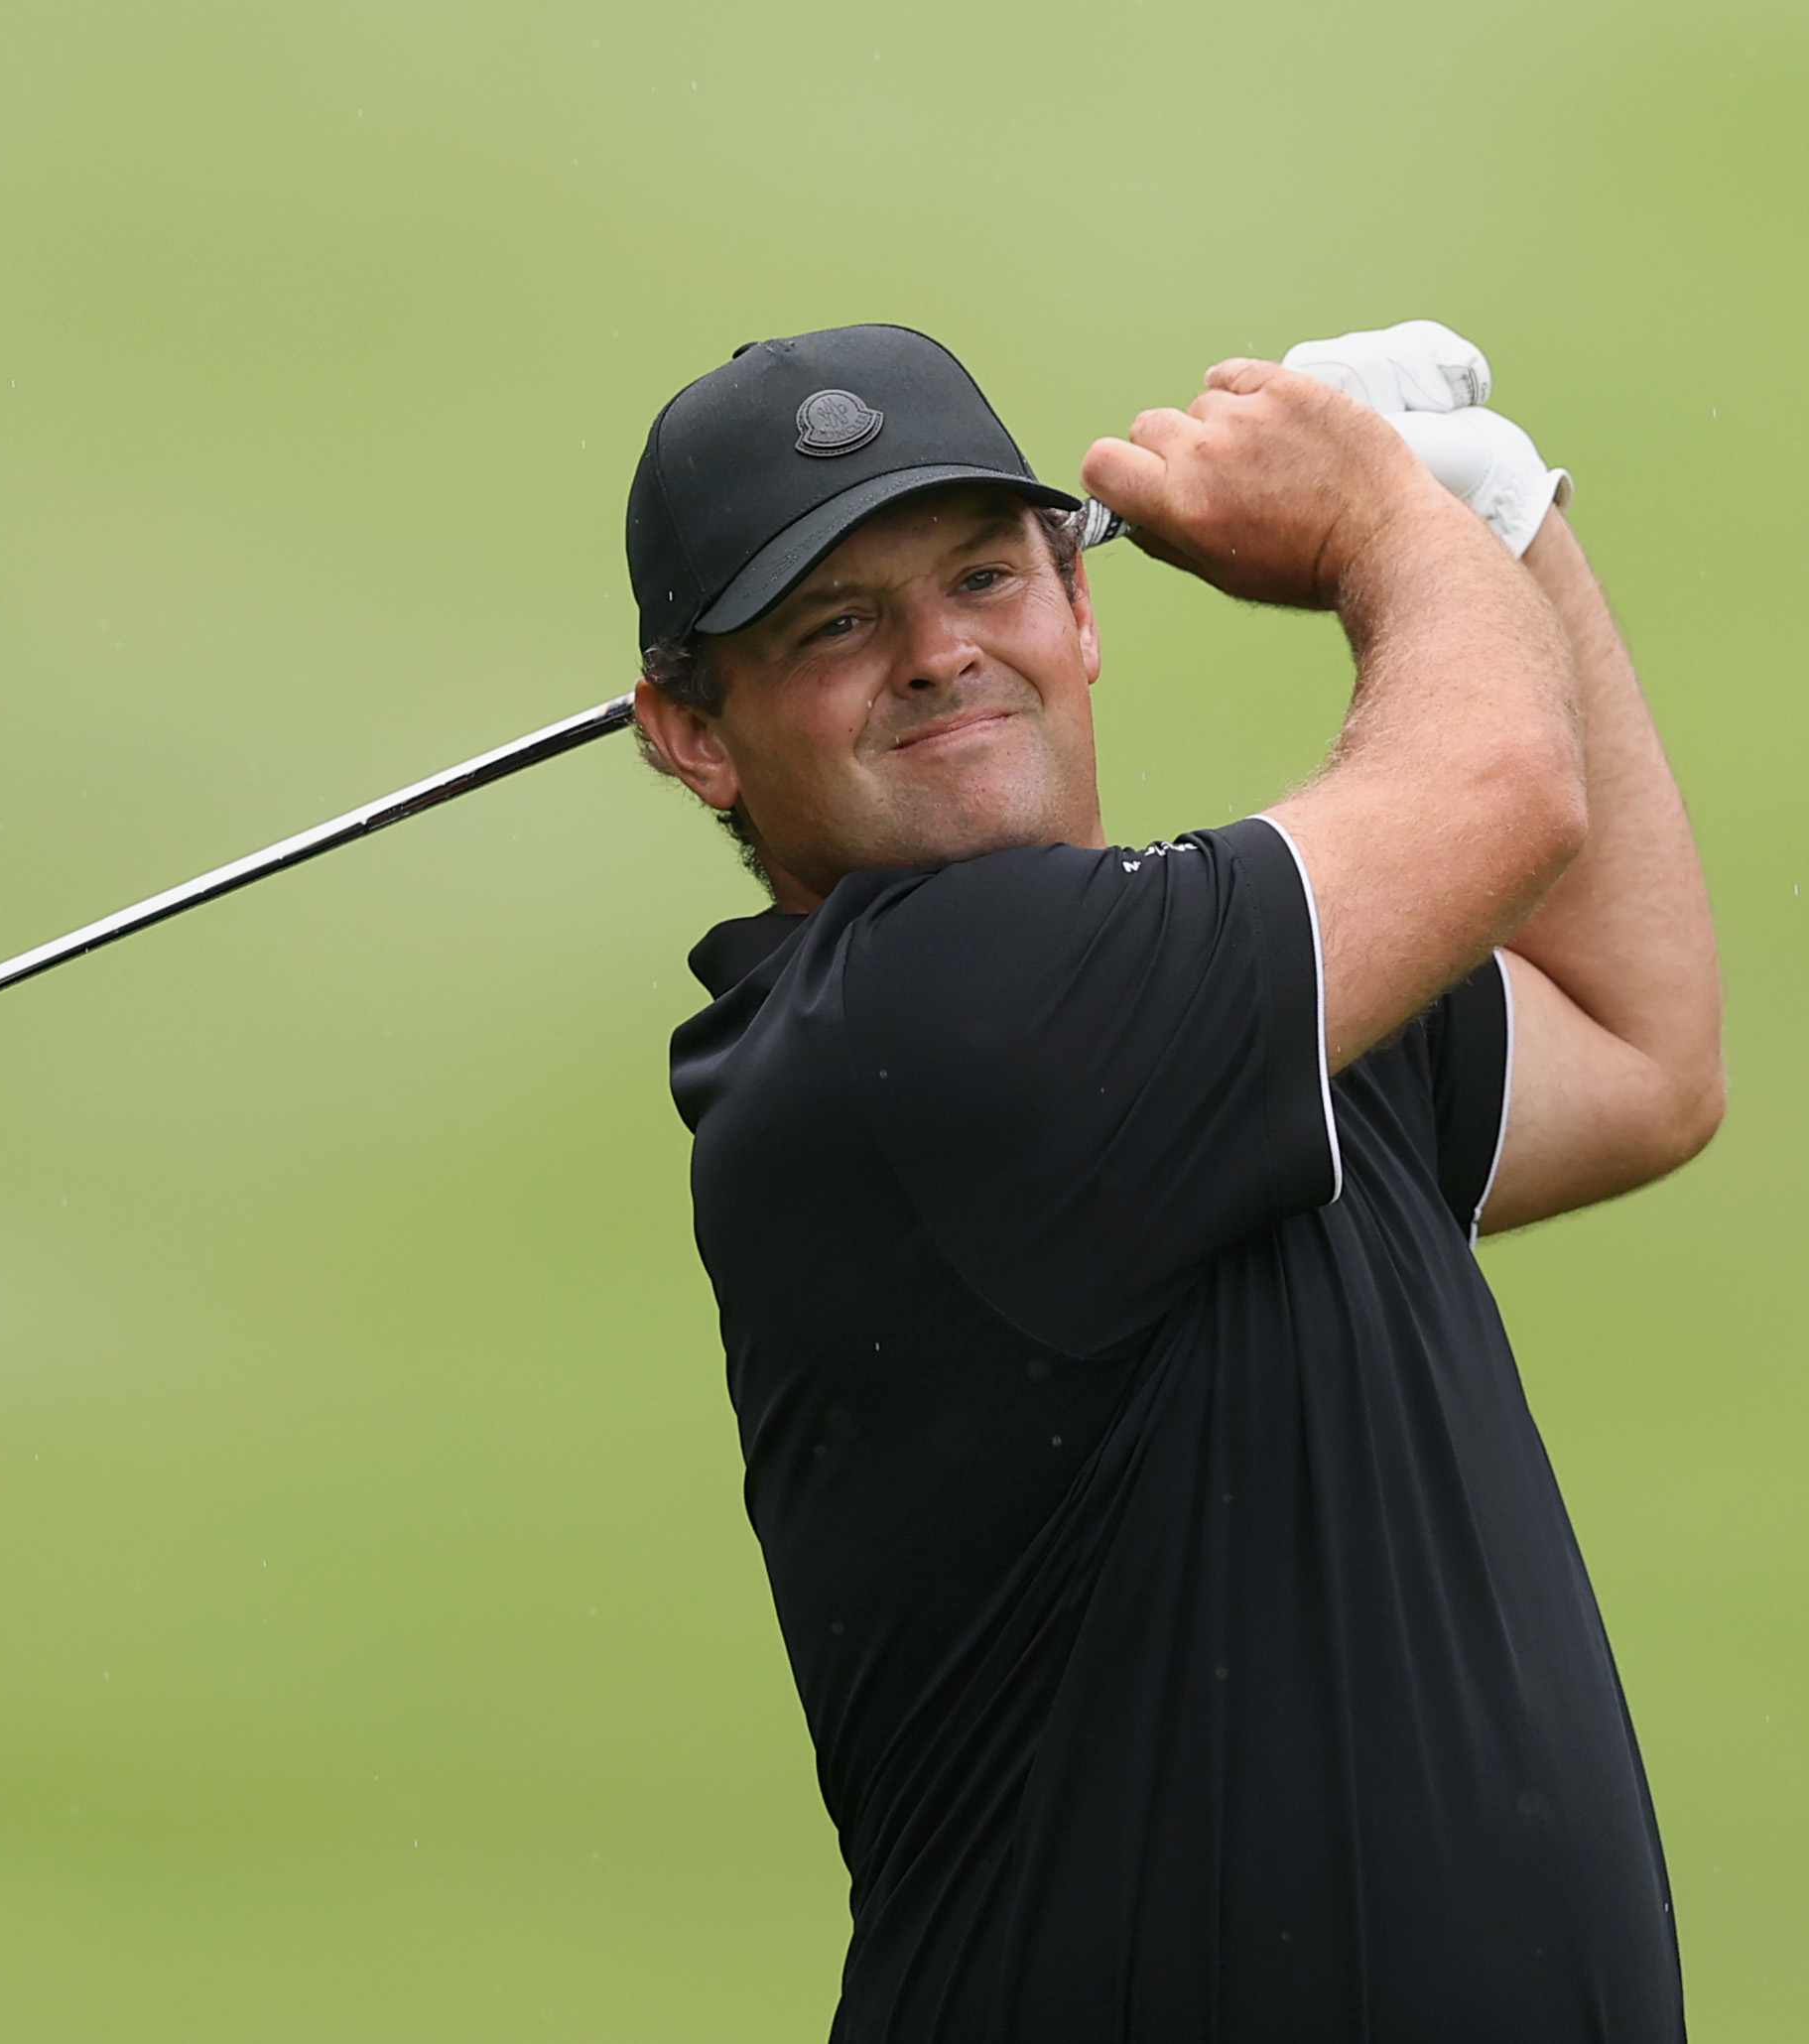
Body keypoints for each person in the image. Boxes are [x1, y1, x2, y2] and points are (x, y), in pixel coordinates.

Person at [626, 322, 1723, 2042]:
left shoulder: (1205, 1002)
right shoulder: (916, 1025)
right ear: (693, 735)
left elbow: (1639, 1053)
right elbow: (1501, 785)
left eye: (984, 575)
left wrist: (1504, 527)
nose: (937, 653)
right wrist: (1384, 521)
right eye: (835, 622)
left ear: (1078, 610)